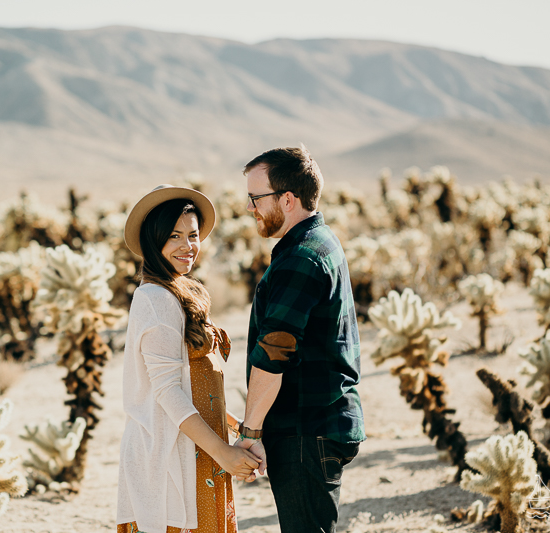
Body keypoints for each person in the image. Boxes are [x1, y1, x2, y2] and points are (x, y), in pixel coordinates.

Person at [233, 146, 366, 533]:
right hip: (321, 423)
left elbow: (274, 354)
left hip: (306, 430)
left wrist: (250, 432)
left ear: (287, 200)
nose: (249, 208)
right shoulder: (322, 241)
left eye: (255, 198)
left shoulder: (300, 260)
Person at [117, 185, 260, 533]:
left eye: (193, 235)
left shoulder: (178, 290)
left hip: (199, 446)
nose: (187, 246)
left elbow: (191, 381)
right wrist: (223, 454)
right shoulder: (155, 298)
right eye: (174, 236)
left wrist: (233, 425)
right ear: (154, 240)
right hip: (172, 455)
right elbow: (167, 391)